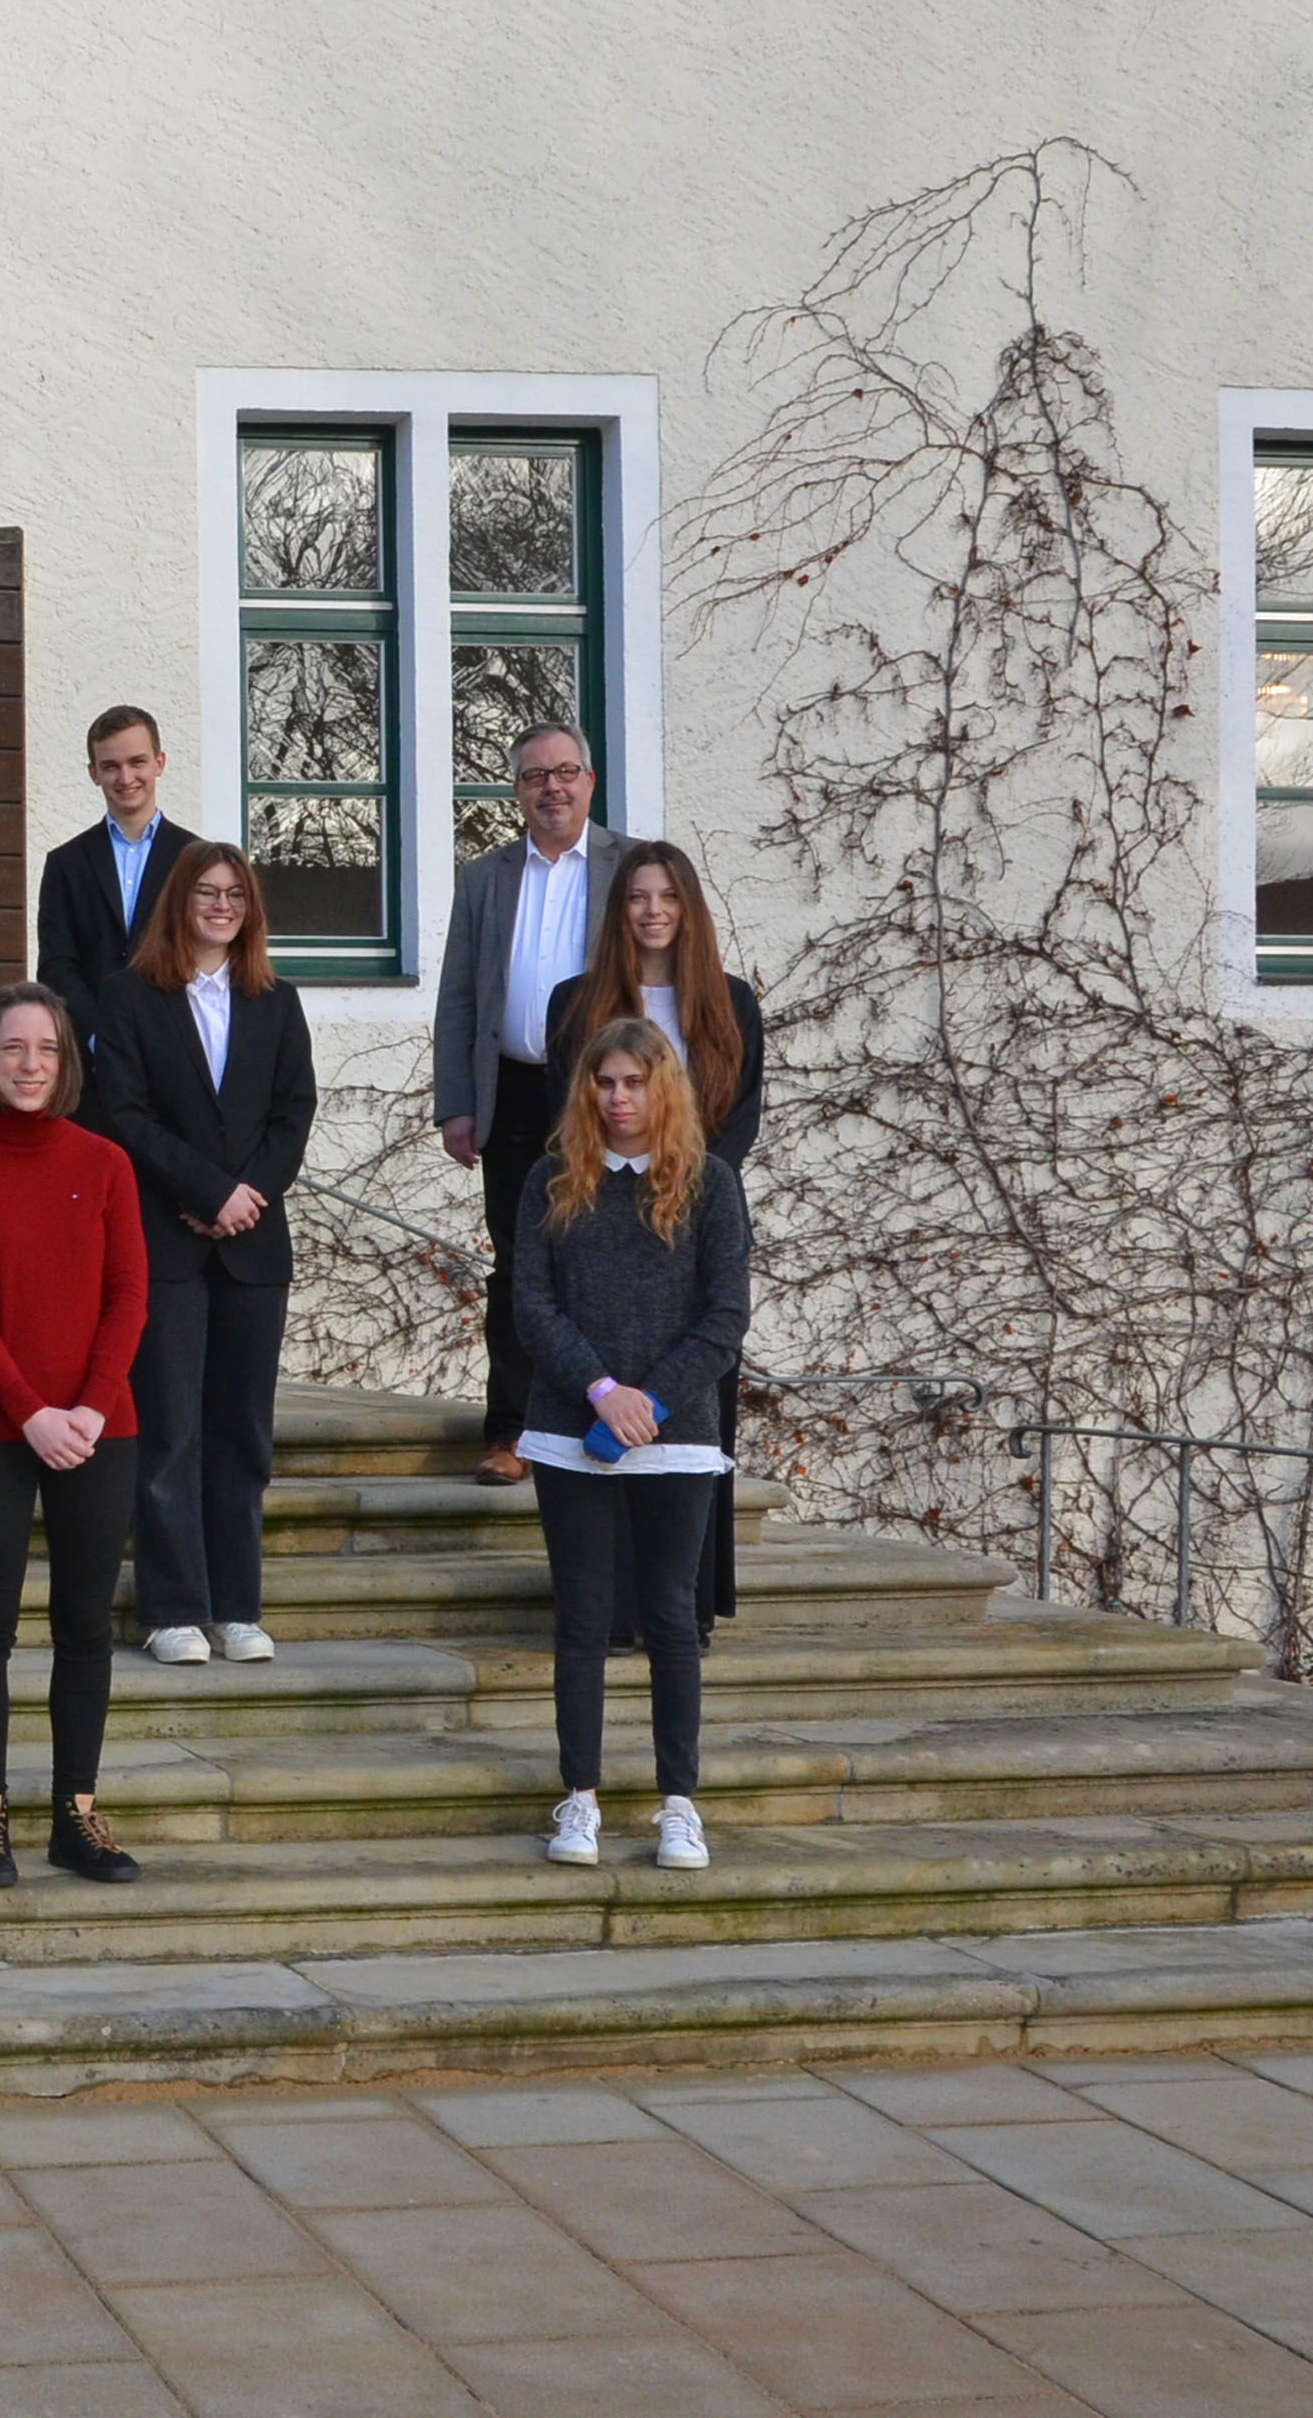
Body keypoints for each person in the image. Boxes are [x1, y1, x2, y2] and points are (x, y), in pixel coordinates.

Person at [0, 984, 149, 1889]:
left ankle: (76, 1817)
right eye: (13, 1047)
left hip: (101, 1429)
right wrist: (30, 1412)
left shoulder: (108, 1163)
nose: (28, 1064)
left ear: (65, 1064)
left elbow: (130, 1293)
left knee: (85, 1626)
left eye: (46, 1049)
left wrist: (89, 1406)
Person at [515, 1018, 751, 1876]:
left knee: (671, 1620)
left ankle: (678, 1806)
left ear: (663, 1089)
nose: (618, 1098)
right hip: (570, 1428)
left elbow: (724, 1317)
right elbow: (531, 1306)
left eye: (634, 1083)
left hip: (674, 1434)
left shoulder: (710, 1186)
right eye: (605, 1083)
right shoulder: (550, 1180)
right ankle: (579, 1797)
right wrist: (602, 1393)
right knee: (580, 1620)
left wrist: (648, 1399)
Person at [97, 843, 317, 1668]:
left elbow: (294, 1112)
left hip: (254, 1248)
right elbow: (123, 1115)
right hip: (168, 1243)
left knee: (242, 1435)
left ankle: (238, 1607)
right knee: (170, 1432)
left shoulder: (275, 1000)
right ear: (178, 902)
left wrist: (244, 1196)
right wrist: (205, 1192)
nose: (220, 906)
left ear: (250, 908)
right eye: (205, 893)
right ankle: (173, 1608)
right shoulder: (131, 999)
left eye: (234, 894)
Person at [548, 839, 765, 1630]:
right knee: (596, 1423)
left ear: (689, 909)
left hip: (695, 1227)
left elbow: (738, 1122)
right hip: (599, 1225)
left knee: (689, 1416)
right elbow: (566, 1115)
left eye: (667, 896)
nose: (652, 911)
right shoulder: (576, 1003)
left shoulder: (732, 1003)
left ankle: (684, 1611)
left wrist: (688, 1188)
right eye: (638, 897)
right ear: (620, 911)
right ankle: (609, 1613)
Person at [433, 721, 626, 1485]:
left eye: (566, 771)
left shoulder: (632, 866)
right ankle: (512, 1433)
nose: (552, 786)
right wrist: (457, 1102)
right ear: (515, 791)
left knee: (607, 1261)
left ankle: (598, 1424)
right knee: (517, 1269)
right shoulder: (486, 877)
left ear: (589, 782)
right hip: (511, 1094)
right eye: (535, 776)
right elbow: (456, 995)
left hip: (602, 1097)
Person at [33, 704, 192, 1093]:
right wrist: (100, 1036)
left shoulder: (195, 859)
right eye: (110, 766)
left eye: (137, 762)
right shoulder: (65, 863)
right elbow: (56, 966)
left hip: (177, 1057)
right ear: (93, 773)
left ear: (160, 762)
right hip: (93, 1068)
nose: (126, 778)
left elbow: (205, 957)